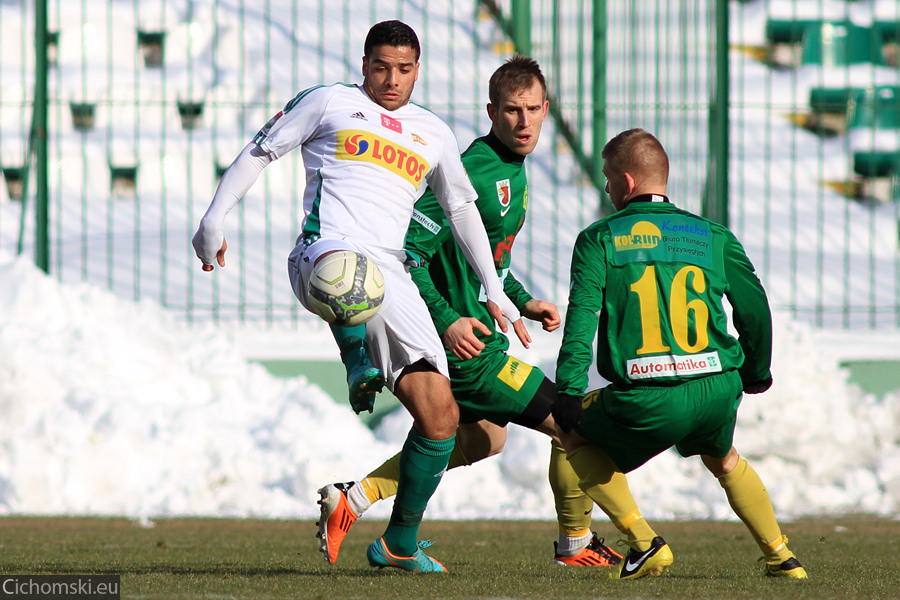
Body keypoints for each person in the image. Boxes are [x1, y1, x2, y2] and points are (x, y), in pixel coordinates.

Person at [191, 20, 527, 573]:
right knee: (348, 274)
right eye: (380, 67)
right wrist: (214, 217)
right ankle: (357, 359)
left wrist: (493, 288)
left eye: (403, 69)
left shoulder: (432, 133)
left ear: (418, 69)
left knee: (441, 416)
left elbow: (463, 210)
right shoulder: (328, 103)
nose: (391, 80)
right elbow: (260, 151)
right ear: (364, 63)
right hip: (323, 251)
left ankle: (397, 542)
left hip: (391, 274)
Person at [315, 56, 621, 569]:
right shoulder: (475, 168)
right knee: (574, 424)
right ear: (491, 111)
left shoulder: (513, 172)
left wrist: (521, 298)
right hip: (468, 347)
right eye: (510, 111)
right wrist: (446, 320)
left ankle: (360, 503)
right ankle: (579, 544)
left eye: (531, 110)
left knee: (483, 438)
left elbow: (486, 258)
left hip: (479, 333)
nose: (522, 123)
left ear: (547, 110)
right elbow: (407, 251)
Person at [550, 128, 809, 580]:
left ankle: (639, 543)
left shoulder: (600, 239)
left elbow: (581, 319)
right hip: (715, 387)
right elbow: (754, 307)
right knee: (724, 458)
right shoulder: (713, 235)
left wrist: (569, 390)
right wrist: (756, 369)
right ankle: (782, 557)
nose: (607, 188)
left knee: (567, 434)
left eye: (609, 179)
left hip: (647, 397)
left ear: (627, 183)